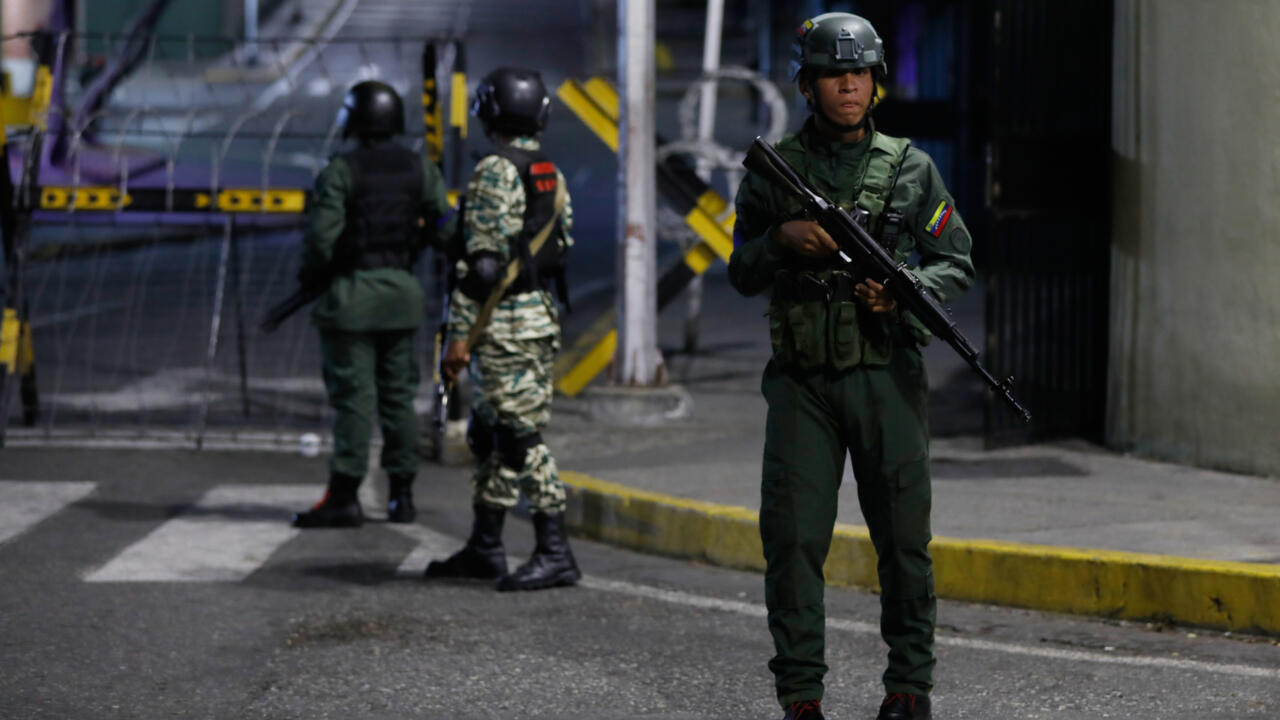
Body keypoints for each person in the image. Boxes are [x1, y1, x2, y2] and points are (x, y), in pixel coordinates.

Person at [729, 12, 975, 720]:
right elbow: (741, 271)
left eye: (860, 73)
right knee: (793, 540)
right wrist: (781, 239)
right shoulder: (776, 170)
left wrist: (904, 292)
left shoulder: (910, 168)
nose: (848, 86)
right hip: (802, 382)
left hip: (884, 375)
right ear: (808, 86)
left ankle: (909, 689)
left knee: (903, 542)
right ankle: (800, 696)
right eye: (834, 75)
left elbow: (955, 261)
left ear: (876, 83)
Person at [423, 67, 580, 592]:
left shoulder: (495, 169)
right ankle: (486, 545)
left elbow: (484, 267)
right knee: (492, 433)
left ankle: (555, 551)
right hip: (534, 316)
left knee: (519, 437)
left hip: (503, 322)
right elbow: (561, 245)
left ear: (490, 111)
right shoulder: (548, 170)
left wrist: (457, 338)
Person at [291, 80, 456, 528]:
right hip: (401, 297)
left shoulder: (341, 171)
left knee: (355, 399)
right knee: (399, 397)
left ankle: (345, 495)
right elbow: (445, 227)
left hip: (352, 300)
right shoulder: (420, 169)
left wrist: (313, 275)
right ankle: (402, 495)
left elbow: (321, 240)